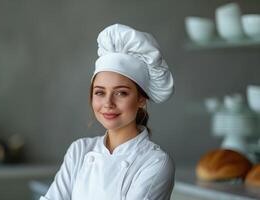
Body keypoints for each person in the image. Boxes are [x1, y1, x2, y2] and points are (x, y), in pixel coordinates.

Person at [40, 23, 175, 200]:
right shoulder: (80, 150)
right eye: (100, 92)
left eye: (121, 93)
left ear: (141, 99)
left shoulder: (155, 162)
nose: (108, 103)